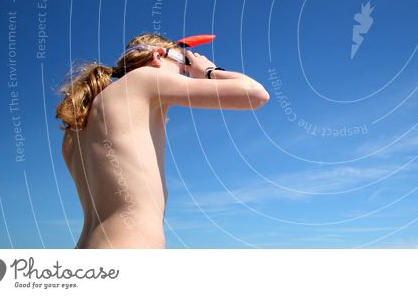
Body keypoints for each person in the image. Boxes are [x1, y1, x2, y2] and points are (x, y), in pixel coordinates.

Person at [55, 33, 269, 248]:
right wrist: (207, 71)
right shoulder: (143, 78)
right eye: (183, 66)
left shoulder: (76, 126)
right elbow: (255, 93)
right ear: (158, 56)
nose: (186, 75)